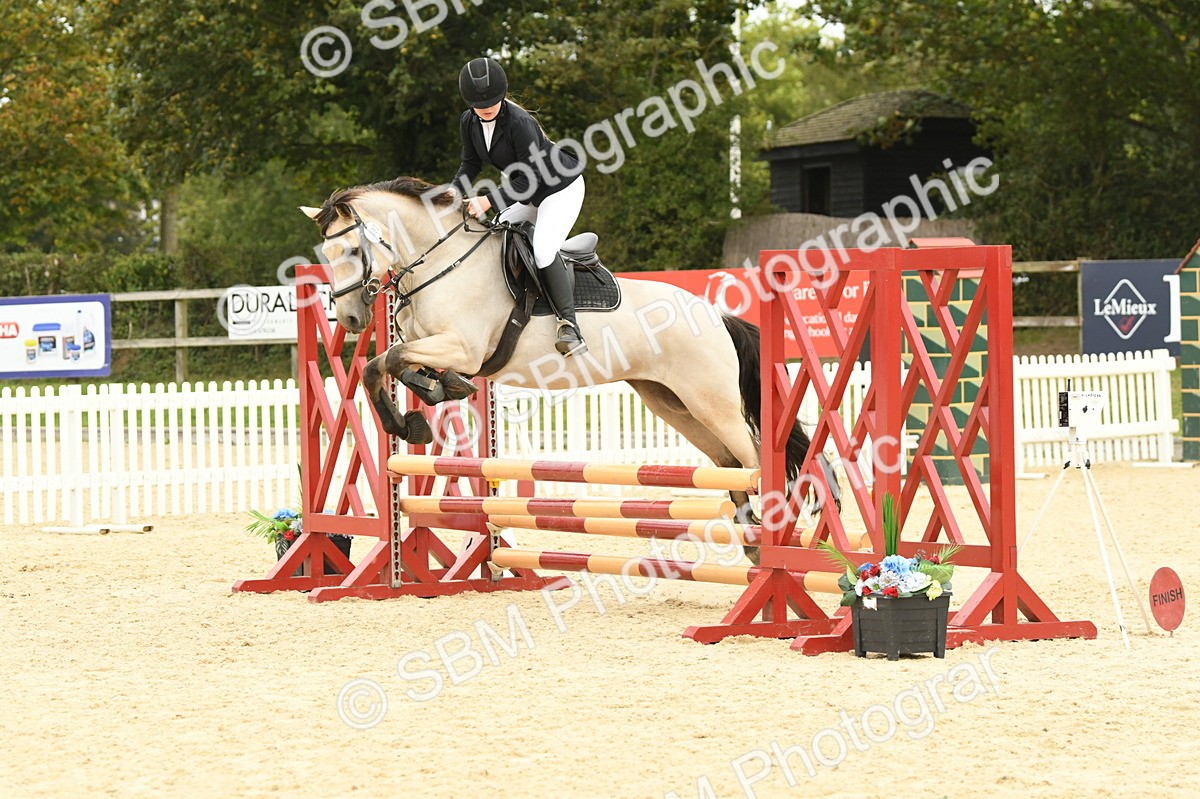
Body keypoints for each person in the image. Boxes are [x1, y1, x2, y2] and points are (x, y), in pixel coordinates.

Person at [451, 57, 587, 357]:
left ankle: (569, 325)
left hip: (559, 189)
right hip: (528, 191)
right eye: (478, 102)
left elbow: (531, 180)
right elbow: (470, 163)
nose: (486, 106)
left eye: (493, 101)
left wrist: (487, 200)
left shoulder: (520, 123)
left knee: (542, 249)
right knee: (495, 238)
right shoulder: (469, 122)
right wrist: (452, 193)